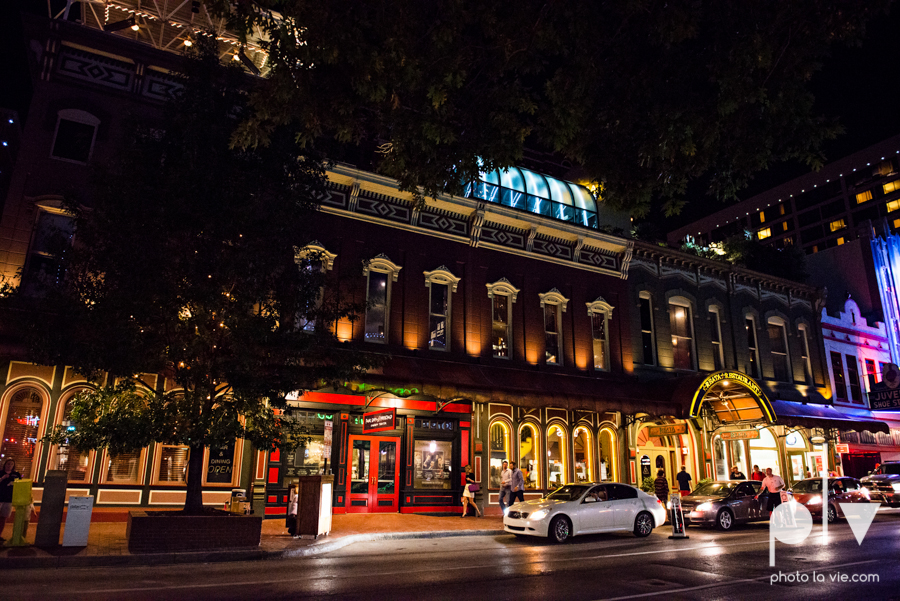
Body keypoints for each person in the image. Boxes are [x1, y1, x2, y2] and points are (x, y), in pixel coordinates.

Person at [0, 459, 22, 542]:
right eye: (8, 464)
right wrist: (2, 478)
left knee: (3, 517)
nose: (9, 465)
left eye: (11, 464)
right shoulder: (1, 473)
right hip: (0, 498)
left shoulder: (16, 474)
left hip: (9, 499)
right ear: (5, 464)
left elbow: (19, 485)